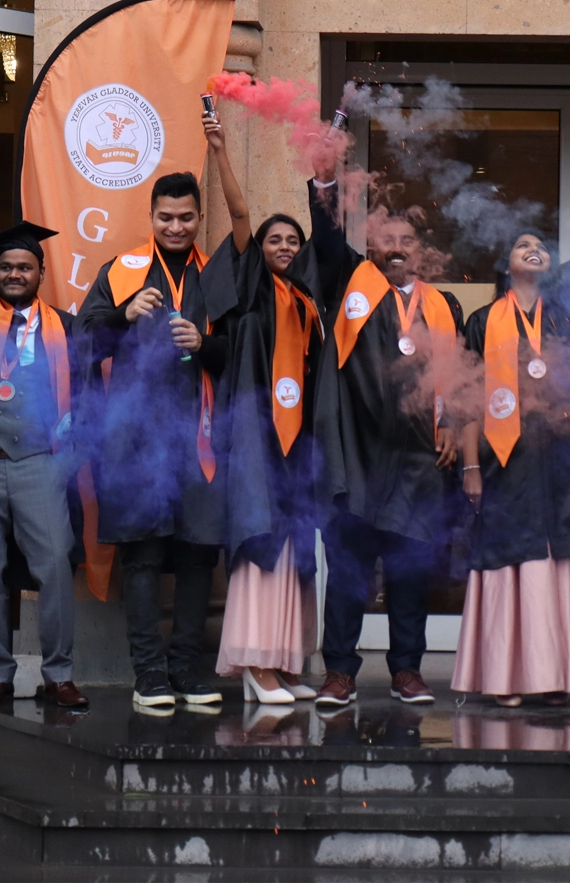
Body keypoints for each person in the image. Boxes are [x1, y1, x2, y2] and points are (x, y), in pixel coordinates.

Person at [452, 143, 570, 706]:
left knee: (559, 560)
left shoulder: (565, 311)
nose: (535, 250)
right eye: (523, 245)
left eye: (541, 246)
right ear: (506, 265)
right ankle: (508, 678)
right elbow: (467, 401)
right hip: (505, 461)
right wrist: (471, 467)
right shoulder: (481, 321)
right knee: (510, 563)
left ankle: (557, 676)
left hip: (565, 457)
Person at [297, 169, 464, 709]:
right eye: (386, 240)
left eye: (406, 241)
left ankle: (407, 670)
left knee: (410, 571)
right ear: (371, 247)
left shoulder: (443, 307)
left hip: (416, 460)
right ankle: (339, 672)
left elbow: (457, 377)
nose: (396, 249)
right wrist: (325, 183)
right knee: (348, 571)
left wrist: (451, 423)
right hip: (358, 455)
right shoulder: (351, 283)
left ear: (420, 251)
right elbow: (325, 237)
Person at [76, 173, 234, 712]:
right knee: (141, 555)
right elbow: (82, 342)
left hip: (202, 437)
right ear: (151, 217)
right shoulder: (121, 272)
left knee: (197, 555)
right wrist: (122, 316)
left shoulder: (217, 276)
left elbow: (246, 348)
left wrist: (206, 344)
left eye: (186, 217)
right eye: (165, 217)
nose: (176, 226)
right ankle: (149, 676)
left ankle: (186, 670)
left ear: (199, 218)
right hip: (135, 440)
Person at [203, 111, 338, 705]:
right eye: (274, 240)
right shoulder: (253, 290)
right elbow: (238, 215)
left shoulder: (307, 300)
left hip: (298, 441)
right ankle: (254, 665)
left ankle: (282, 663)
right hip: (258, 436)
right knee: (260, 542)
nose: (284, 246)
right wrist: (220, 150)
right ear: (259, 250)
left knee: (293, 550)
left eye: (292, 241)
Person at [0, 223, 88, 709]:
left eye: (25, 268)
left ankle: (59, 675)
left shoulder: (65, 327)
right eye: (7, 267)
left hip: (40, 461)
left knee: (54, 565)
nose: (15, 274)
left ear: (41, 273)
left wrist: (69, 458)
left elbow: (89, 394)